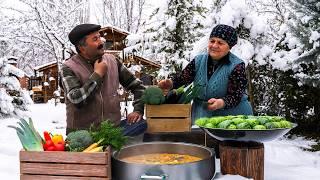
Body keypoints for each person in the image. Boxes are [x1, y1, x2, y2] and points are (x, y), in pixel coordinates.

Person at [60, 24, 147, 137]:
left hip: (112, 132)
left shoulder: (112, 61)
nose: (101, 42)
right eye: (95, 39)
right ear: (82, 48)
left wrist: (138, 110)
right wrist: (97, 74)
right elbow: (77, 100)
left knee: (142, 125)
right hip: (83, 136)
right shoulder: (68, 67)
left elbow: (138, 87)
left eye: (100, 37)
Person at [159, 24, 253, 123]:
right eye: (212, 41)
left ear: (229, 47)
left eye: (220, 43)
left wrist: (221, 103)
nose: (214, 45)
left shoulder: (236, 65)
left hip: (233, 118)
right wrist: (170, 83)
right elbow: (183, 78)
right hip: (202, 116)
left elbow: (235, 95)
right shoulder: (198, 60)